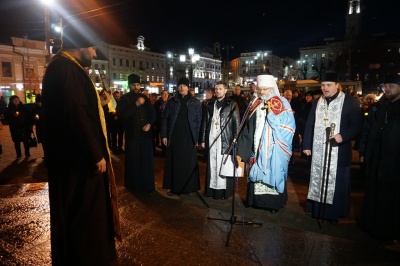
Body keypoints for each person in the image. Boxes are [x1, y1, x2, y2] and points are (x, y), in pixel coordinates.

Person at [41, 22, 119, 265]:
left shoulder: (67, 68)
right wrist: (96, 154)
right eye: (93, 48)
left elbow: (80, 108)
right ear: (80, 46)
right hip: (78, 162)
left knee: (86, 213)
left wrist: (102, 105)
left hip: (75, 158)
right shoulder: (66, 70)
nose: (95, 53)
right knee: (84, 215)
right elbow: (75, 114)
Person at [302, 72, 362, 223]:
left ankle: (335, 212)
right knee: (318, 178)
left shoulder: (349, 101)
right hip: (318, 150)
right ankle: (315, 209)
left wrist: (344, 135)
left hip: (338, 151)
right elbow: (310, 124)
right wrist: (307, 145)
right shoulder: (317, 102)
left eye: (329, 85)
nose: (325, 88)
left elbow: (357, 126)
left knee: (337, 182)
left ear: (337, 85)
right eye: (322, 85)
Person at [237, 75, 295, 213]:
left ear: (272, 88)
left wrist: (273, 119)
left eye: (265, 89)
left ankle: (272, 205)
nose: (262, 92)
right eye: (260, 89)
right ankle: (254, 201)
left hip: (274, 147)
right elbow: (249, 126)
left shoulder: (281, 102)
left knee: (272, 173)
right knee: (256, 174)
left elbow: (289, 126)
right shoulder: (256, 103)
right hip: (256, 148)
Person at [358, 73, 400, 243]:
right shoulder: (378, 106)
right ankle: (371, 225)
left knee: (391, 196)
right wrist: (362, 152)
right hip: (376, 157)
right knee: (374, 192)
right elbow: (366, 130)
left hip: (395, 160)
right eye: (386, 86)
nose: (387, 89)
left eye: (391, 85)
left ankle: (390, 231)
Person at [161, 77, 202, 195]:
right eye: (180, 85)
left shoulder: (195, 102)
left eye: (184, 85)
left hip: (189, 136)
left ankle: (189, 188)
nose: (182, 87)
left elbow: (199, 120)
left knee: (188, 163)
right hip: (175, 136)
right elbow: (165, 119)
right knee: (175, 163)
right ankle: (174, 187)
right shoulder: (171, 101)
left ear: (188, 87)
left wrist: (198, 138)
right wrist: (164, 135)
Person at [200, 81, 240, 199]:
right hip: (212, 137)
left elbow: (236, 125)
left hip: (225, 139)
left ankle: (223, 193)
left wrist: (235, 141)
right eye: (216, 89)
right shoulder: (209, 104)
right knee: (213, 164)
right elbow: (205, 123)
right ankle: (212, 190)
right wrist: (202, 139)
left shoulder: (232, 104)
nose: (217, 91)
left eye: (220, 89)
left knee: (223, 165)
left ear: (225, 90)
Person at [117, 73, 156, 193]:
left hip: (145, 137)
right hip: (132, 137)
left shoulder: (145, 98)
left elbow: (153, 114)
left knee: (145, 162)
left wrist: (149, 124)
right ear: (129, 86)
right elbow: (122, 116)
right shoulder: (124, 99)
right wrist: (136, 105)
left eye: (138, 84)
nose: (136, 87)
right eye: (133, 85)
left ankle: (146, 185)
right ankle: (133, 186)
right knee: (133, 163)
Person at [153, 89, 169, 156]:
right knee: (158, 137)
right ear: (161, 95)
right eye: (164, 94)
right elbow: (154, 114)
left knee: (165, 137)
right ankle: (159, 150)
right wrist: (154, 123)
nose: (165, 95)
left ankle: (165, 151)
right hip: (159, 123)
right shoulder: (157, 103)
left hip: (167, 123)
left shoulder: (170, 103)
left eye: (166, 94)